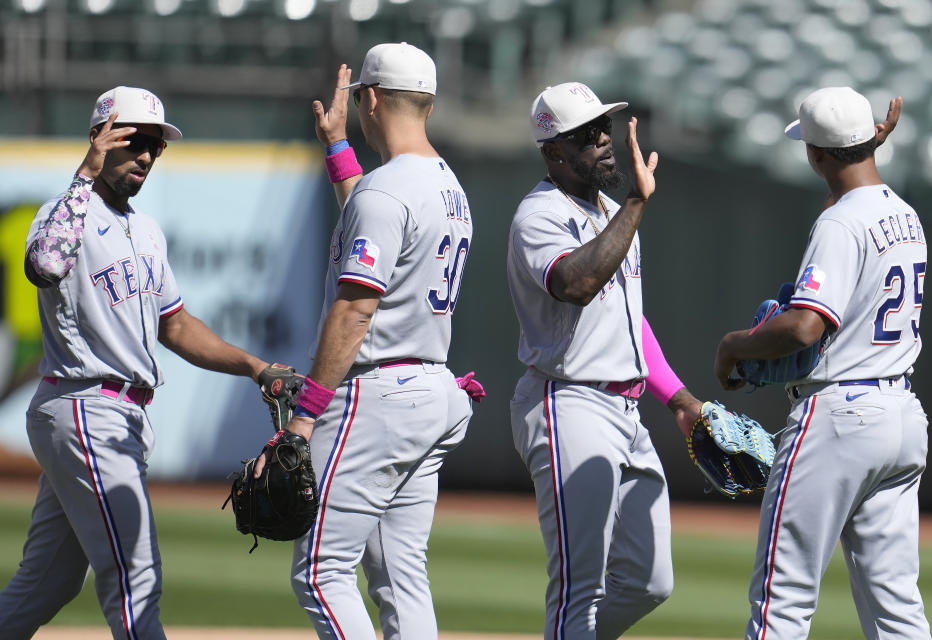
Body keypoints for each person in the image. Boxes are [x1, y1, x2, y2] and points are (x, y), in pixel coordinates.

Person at [0, 86, 276, 639]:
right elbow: (43, 265)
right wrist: (85, 172)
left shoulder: (146, 230)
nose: (146, 155)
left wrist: (257, 367)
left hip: (123, 418)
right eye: (133, 141)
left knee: (47, 584)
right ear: (101, 139)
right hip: (85, 407)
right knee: (135, 573)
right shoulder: (64, 212)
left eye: (155, 145)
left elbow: (175, 325)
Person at [256, 43, 478, 639]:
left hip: (379, 396)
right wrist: (337, 148)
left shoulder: (386, 190)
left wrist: (303, 421)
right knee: (400, 577)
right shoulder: (446, 186)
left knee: (321, 574)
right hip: (433, 388)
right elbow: (375, 218)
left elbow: (355, 310)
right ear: (427, 103)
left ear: (371, 98)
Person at [714, 87, 928, 639]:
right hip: (902, 416)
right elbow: (855, 198)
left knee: (780, 601)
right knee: (897, 609)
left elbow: (807, 325)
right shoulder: (904, 214)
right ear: (868, 141)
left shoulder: (839, 223)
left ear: (815, 155)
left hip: (840, 417)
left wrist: (736, 344)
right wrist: (862, 146)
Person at [507, 82, 705, 639]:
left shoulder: (613, 214)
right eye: (585, 134)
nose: (603, 139)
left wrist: (680, 399)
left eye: (604, 127)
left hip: (626, 409)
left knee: (649, 580)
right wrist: (639, 204)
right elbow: (576, 283)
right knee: (579, 588)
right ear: (554, 152)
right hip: (567, 404)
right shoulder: (538, 215)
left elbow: (629, 322)